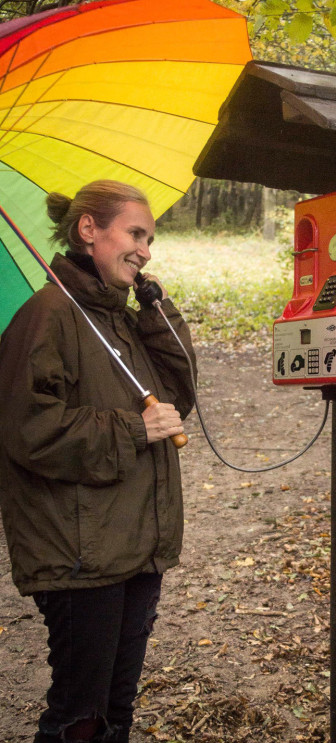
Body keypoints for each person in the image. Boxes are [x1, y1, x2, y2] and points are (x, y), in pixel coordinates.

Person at [0, 180, 196, 743]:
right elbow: (27, 429)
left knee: (115, 710)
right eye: (135, 233)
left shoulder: (117, 321)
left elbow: (177, 398)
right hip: (80, 554)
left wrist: (156, 311)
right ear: (89, 230)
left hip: (131, 546)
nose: (146, 249)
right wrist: (133, 428)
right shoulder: (47, 317)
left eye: (150, 239)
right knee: (79, 718)